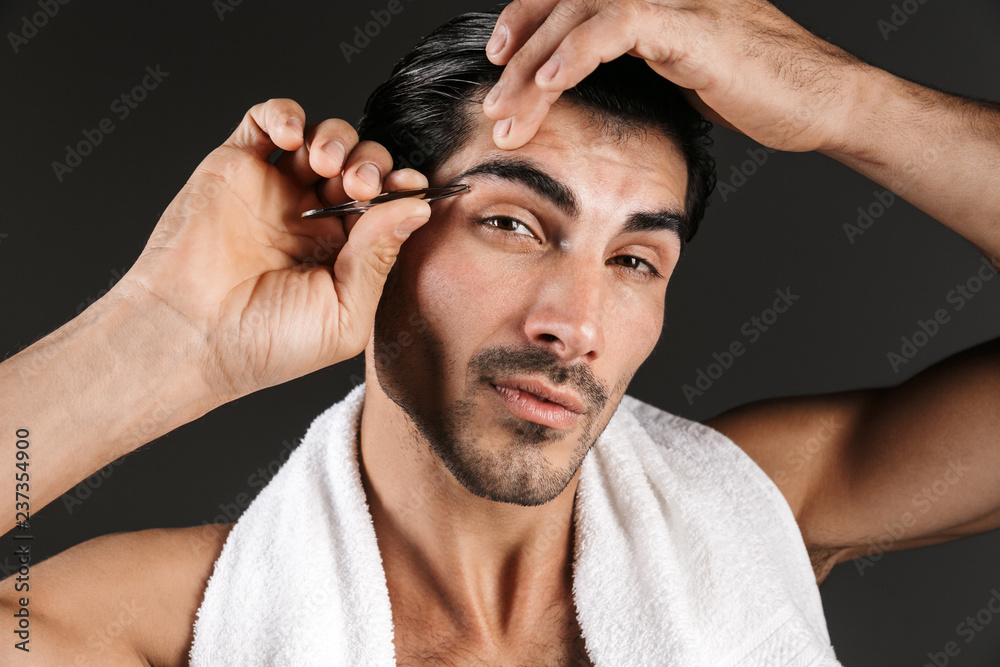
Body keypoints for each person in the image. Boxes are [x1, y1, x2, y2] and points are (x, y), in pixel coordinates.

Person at [1, 1, 998, 664]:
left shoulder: (755, 511)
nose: (574, 325)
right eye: (515, 225)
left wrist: (848, 101)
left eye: (634, 260)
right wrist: (166, 336)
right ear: (377, 234)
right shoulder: (160, 624)